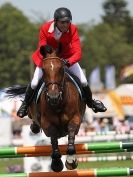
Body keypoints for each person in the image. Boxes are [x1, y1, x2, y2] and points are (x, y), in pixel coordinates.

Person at [17, 7, 107, 119]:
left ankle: (91, 103)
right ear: (55, 21)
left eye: (68, 22)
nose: (65, 25)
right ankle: (25, 105)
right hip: (47, 59)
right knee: (35, 82)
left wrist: (68, 62)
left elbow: (78, 52)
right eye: (62, 22)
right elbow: (41, 46)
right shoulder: (45, 28)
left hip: (66, 58)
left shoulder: (73, 29)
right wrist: (49, 54)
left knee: (83, 81)